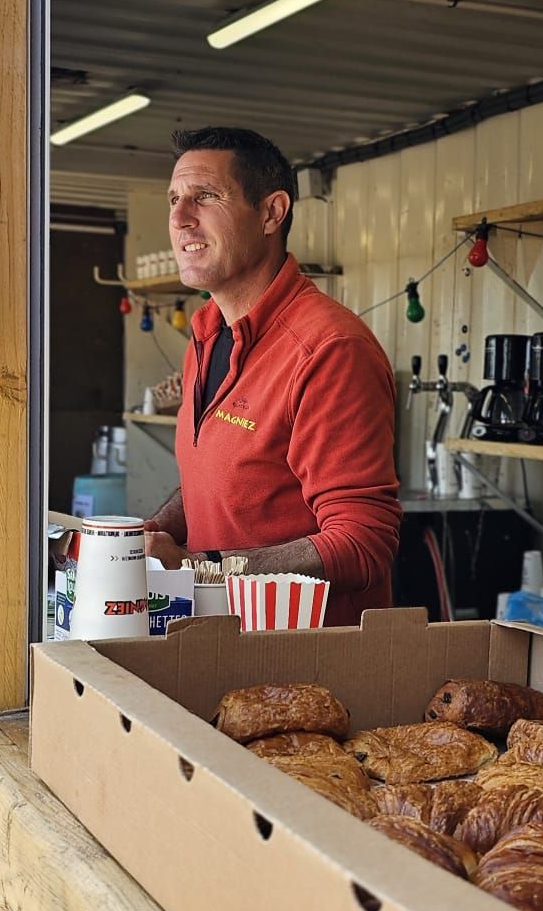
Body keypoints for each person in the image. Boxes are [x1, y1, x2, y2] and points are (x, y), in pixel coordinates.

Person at [144, 126, 401, 626]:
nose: (178, 218)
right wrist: (153, 533)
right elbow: (222, 480)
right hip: (223, 637)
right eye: (174, 199)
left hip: (306, 663)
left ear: (270, 212)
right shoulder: (207, 334)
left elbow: (362, 542)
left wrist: (201, 569)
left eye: (206, 197)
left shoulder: (328, 348)